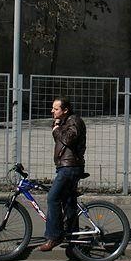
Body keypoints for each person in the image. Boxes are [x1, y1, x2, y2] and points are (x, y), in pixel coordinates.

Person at [38, 97, 87, 252]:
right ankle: (73, 238)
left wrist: (56, 128)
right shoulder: (64, 121)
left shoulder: (74, 121)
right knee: (68, 202)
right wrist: (57, 125)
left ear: (65, 110)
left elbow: (67, 139)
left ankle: (54, 236)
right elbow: (60, 139)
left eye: (56, 108)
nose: (52, 111)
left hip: (70, 167)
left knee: (53, 198)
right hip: (66, 166)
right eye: (52, 108)